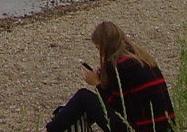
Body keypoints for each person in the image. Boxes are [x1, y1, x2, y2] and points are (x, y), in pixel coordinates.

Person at [44, 20, 175, 132]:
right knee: (84, 106)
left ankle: (50, 130)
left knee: (83, 96)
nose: (100, 53)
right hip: (164, 126)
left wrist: (96, 83)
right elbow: (128, 98)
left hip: (138, 128)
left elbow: (117, 106)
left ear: (105, 46)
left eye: (98, 48)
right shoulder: (143, 59)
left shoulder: (119, 65)